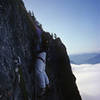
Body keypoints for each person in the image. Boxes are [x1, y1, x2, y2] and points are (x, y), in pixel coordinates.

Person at [35, 32, 50, 97]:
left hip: (40, 56)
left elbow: (38, 32)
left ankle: (43, 88)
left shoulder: (41, 38)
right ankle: (47, 85)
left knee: (39, 71)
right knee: (43, 71)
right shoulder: (44, 42)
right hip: (43, 57)